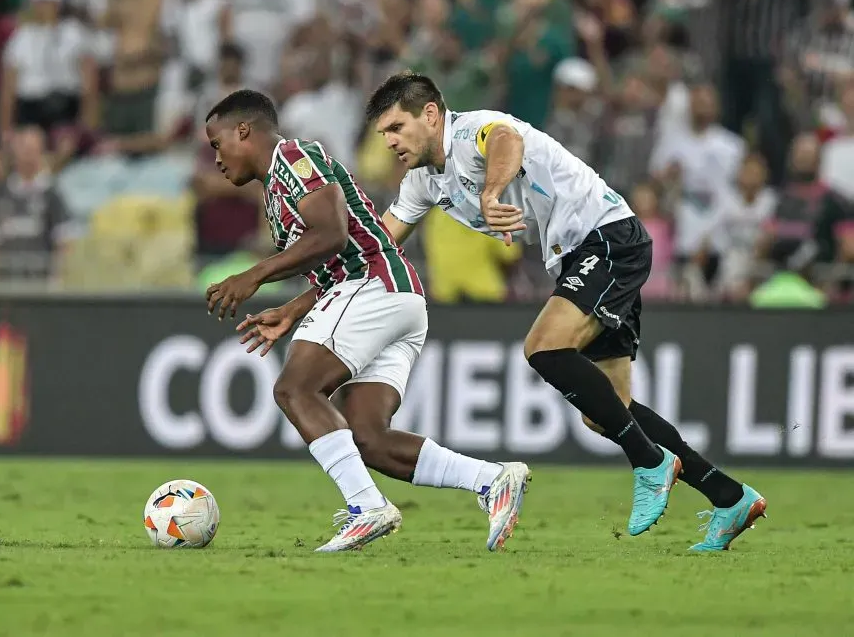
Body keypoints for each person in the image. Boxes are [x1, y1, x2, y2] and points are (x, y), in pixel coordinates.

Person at [362, 71, 765, 552]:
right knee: (606, 411)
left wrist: (490, 195)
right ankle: (729, 496)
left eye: (395, 128)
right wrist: (313, 288)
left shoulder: (476, 129)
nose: (389, 141)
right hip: (580, 255)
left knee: (543, 347)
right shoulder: (422, 183)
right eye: (383, 133)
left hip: (607, 236)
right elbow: (379, 246)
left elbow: (507, 141)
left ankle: (649, 462)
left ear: (430, 115)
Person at [203, 89, 530, 552]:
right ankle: (493, 479)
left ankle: (366, 508)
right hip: (397, 297)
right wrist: (293, 310)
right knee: (368, 438)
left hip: (372, 287)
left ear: (243, 131)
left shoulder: (293, 157)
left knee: (294, 389)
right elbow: (344, 244)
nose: (215, 158)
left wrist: (254, 275)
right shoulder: (275, 189)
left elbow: (333, 234)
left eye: (217, 144)